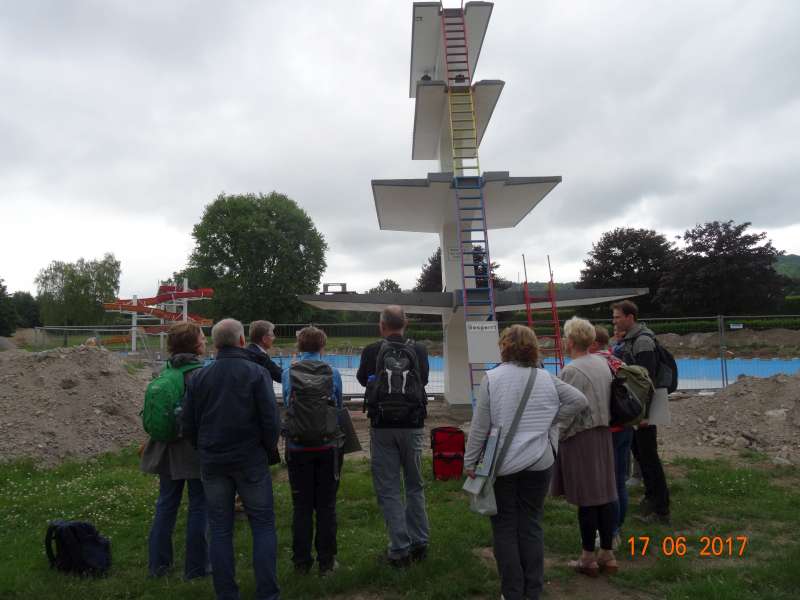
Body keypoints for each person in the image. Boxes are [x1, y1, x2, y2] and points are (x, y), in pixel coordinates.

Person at [464, 324, 588, 600]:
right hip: (540, 462)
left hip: (503, 465)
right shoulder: (545, 378)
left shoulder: (492, 379)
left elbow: (479, 427)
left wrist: (470, 462)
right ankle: (533, 590)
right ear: (533, 348)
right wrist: (551, 422)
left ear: (504, 346)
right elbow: (578, 400)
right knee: (531, 524)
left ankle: (512, 591)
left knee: (505, 526)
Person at [182, 318, 280, 600]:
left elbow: (188, 424)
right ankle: (267, 593)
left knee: (220, 528)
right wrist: (265, 448)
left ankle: (226, 594)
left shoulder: (199, 377)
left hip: (213, 461)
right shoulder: (256, 373)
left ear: (215, 344)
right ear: (241, 341)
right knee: (262, 524)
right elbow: (270, 421)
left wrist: (203, 448)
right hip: (250, 459)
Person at [356, 305, 430, 567]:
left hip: (382, 425)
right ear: (405, 324)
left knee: (388, 488)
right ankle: (420, 542)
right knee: (414, 484)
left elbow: (364, 380)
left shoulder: (372, 350)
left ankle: (399, 549)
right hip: (413, 424)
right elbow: (425, 380)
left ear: (382, 325)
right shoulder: (419, 349)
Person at [141, 321, 208, 579]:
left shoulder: (166, 373)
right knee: (199, 506)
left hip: (164, 448)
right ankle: (197, 568)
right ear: (194, 344)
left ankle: (158, 567)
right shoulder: (199, 375)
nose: (205, 340)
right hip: (192, 450)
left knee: (166, 505)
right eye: (202, 337)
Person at [551, 317, 618, 577]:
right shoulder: (603, 364)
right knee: (606, 494)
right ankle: (608, 553)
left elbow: (567, 412)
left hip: (581, 439)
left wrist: (556, 435)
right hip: (603, 435)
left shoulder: (571, 371)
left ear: (570, 341)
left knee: (587, 500)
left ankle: (587, 557)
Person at [281, 326, 344, 576]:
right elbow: (337, 405)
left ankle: (301, 563)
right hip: (328, 445)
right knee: (327, 506)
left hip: (297, 446)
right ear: (322, 346)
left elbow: (288, 402)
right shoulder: (333, 372)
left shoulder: (289, 371)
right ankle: (327, 563)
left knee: (302, 506)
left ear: (299, 347)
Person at [611, 300, 671, 524]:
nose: (614, 321)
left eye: (617, 317)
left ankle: (661, 509)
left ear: (630, 317)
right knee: (641, 456)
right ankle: (651, 498)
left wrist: (645, 416)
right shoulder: (630, 340)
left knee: (649, 458)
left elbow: (647, 381)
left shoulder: (643, 341)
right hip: (635, 412)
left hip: (642, 413)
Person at [589, 324, 630, 549]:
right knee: (620, 480)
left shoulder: (596, 365)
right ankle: (617, 528)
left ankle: (609, 531)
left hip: (607, 430)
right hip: (625, 426)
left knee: (605, 483)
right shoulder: (619, 362)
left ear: (595, 343)